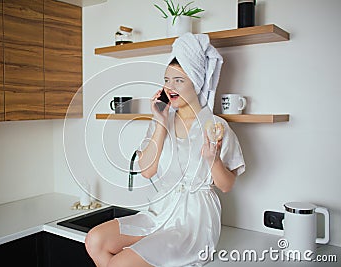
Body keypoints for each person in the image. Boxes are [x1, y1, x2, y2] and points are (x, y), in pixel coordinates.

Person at [85, 33, 245, 267]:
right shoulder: (161, 121)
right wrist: (160, 121)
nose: (170, 87)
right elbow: (147, 171)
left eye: (178, 80)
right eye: (167, 80)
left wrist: (213, 160)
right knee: (95, 241)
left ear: (196, 80)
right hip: (160, 210)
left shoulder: (216, 127)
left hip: (194, 221)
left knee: (120, 264)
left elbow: (226, 185)